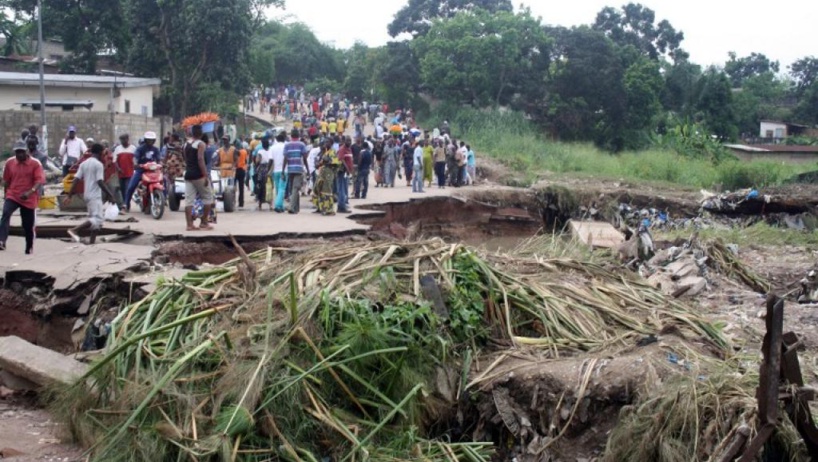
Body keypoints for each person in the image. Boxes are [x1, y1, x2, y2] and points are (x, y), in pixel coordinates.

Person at [64, 143, 115, 244]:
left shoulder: (84, 163)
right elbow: (100, 181)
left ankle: (92, 242)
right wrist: (110, 195)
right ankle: (74, 230)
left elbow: (75, 180)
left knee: (94, 220)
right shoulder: (98, 165)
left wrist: (69, 195)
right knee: (98, 219)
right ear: (100, 153)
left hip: (87, 195)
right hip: (94, 195)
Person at [0, 140, 45, 254]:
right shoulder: (10, 163)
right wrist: (6, 194)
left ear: (26, 152)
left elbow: (39, 181)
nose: (19, 155)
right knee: (5, 213)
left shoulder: (35, 163)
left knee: (27, 225)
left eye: (21, 152)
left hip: (28, 198)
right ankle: (2, 241)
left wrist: (30, 192)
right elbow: (6, 180)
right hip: (13, 195)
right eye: (17, 152)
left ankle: (29, 246)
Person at [183, 125, 214, 231]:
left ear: (192, 132)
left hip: (188, 174)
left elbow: (185, 158)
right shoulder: (201, 144)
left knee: (189, 201)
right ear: (201, 133)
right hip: (198, 175)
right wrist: (205, 175)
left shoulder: (186, 144)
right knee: (208, 198)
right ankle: (204, 222)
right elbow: (200, 159)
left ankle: (189, 225)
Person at [124, 131, 160, 211]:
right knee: (131, 186)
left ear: (154, 140)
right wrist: (136, 164)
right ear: (146, 140)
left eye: (152, 140)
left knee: (163, 180)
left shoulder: (156, 149)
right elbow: (135, 158)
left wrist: (161, 164)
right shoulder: (140, 149)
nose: (150, 142)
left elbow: (159, 159)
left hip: (153, 170)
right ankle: (126, 204)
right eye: (148, 140)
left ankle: (161, 200)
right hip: (141, 170)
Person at [283, 128, 309, 214]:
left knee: (293, 188)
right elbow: (305, 158)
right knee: (295, 188)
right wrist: (308, 169)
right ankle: (291, 207)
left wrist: (283, 170)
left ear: (291, 136)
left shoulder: (287, 145)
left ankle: (296, 208)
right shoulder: (301, 144)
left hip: (290, 169)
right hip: (298, 169)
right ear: (298, 136)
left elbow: (285, 158)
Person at [312, 139, 338, 215]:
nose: (326, 143)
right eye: (326, 142)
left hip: (328, 173)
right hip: (322, 172)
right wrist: (318, 164)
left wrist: (328, 161)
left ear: (332, 143)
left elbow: (335, 163)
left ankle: (329, 210)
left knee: (327, 191)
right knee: (317, 188)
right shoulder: (326, 152)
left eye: (328, 142)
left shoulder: (333, 152)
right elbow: (321, 162)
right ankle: (320, 207)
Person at [113, 133, 136, 209]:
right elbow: (115, 160)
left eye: (124, 139)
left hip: (130, 173)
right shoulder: (118, 149)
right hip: (121, 173)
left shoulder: (133, 148)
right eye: (121, 140)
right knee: (122, 189)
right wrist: (118, 168)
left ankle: (126, 204)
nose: (122, 141)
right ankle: (123, 204)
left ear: (127, 139)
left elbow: (135, 160)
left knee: (127, 189)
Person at [336, 136, 353, 213]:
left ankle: (342, 205)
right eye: (347, 141)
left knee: (345, 189)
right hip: (342, 172)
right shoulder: (342, 149)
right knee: (342, 189)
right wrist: (347, 168)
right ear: (344, 141)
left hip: (346, 173)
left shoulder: (349, 149)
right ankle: (341, 206)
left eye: (350, 141)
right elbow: (341, 159)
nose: (349, 142)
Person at [254, 137, 273, 209]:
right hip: (269, 169)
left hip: (261, 170)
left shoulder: (260, 151)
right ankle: (270, 204)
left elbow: (257, 161)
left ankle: (260, 204)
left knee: (260, 186)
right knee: (269, 187)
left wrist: (256, 167)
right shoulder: (271, 150)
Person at [270, 132, 287, 213]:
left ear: (276, 139)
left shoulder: (272, 147)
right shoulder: (286, 146)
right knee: (282, 189)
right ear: (284, 139)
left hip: (275, 170)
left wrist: (268, 170)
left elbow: (270, 160)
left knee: (278, 189)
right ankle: (278, 205)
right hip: (284, 170)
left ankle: (281, 206)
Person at [234, 140, 248, 208]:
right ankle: (241, 203)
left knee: (233, 187)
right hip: (242, 170)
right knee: (241, 187)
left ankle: (233, 201)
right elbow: (245, 161)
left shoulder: (235, 151)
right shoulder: (244, 151)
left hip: (235, 170)